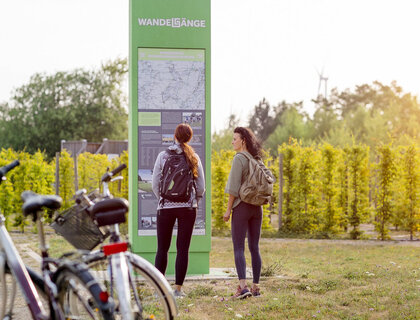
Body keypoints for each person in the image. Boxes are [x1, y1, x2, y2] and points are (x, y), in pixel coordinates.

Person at [152, 123, 205, 298]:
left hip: (165, 207)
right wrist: (194, 201)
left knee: (162, 249)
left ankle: (159, 290)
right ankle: (178, 290)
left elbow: (155, 183)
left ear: (174, 136)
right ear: (189, 138)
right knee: (182, 249)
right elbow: (201, 186)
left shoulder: (163, 156)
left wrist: (163, 198)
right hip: (188, 209)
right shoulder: (193, 157)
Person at [223, 127, 269, 299]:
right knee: (254, 247)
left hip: (241, 207)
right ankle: (256, 286)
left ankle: (243, 287)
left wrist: (228, 210)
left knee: (238, 247)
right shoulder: (257, 159)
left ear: (243, 140)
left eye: (235, 139)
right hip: (257, 208)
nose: (232, 142)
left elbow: (233, 189)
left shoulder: (239, 159)